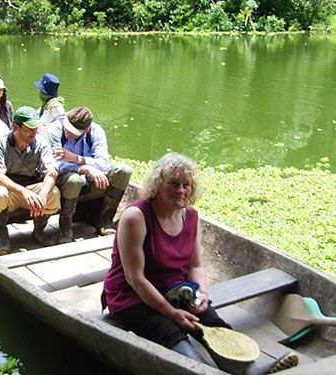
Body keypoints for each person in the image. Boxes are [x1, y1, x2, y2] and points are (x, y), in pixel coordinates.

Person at [101, 153, 297, 374]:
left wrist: (202, 294)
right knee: (167, 329)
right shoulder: (136, 217)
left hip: (174, 289)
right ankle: (199, 371)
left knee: (211, 320)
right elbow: (135, 279)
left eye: (186, 185)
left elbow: (196, 266)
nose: (181, 191)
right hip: (130, 295)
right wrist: (172, 313)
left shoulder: (191, 216)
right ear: (158, 184)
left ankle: (248, 370)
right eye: (173, 184)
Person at [46, 107, 132, 243]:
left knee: (124, 171)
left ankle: (105, 219)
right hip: (67, 179)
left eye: (73, 133)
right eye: (66, 128)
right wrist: (85, 169)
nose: (67, 134)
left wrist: (77, 159)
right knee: (74, 180)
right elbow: (55, 164)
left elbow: (104, 164)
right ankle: (65, 227)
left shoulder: (96, 132)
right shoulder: (54, 130)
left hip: (90, 177)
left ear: (86, 130)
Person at [0, 106, 61, 255]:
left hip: (32, 188)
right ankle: (2, 235)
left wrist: (42, 195)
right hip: (11, 190)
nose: (34, 132)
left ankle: (39, 231)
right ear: (16, 127)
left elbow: (52, 171)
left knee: (53, 193)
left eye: (36, 128)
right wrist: (23, 191)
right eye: (29, 129)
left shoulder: (41, 143)